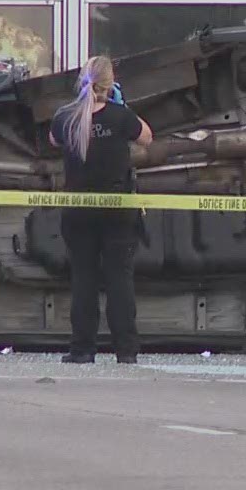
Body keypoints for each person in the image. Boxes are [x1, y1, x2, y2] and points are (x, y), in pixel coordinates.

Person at [49, 55, 151, 364]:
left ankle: (82, 349)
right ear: (111, 84)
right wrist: (123, 106)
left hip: (78, 210)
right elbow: (146, 138)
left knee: (84, 277)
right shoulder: (121, 116)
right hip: (117, 208)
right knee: (119, 278)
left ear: (81, 82)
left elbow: (53, 141)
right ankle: (126, 350)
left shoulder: (65, 117)